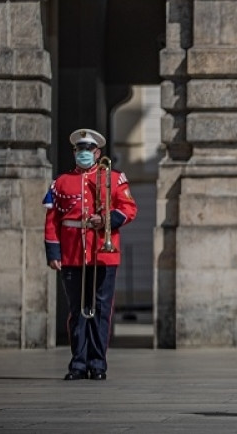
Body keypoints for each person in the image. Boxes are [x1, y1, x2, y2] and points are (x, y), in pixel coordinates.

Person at [43, 128, 138, 381]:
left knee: (100, 310)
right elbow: (52, 219)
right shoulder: (61, 182)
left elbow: (129, 209)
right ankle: (78, 363)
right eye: (79, 149)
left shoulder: (113, 178)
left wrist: (105, 219)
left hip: (103, 253)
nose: (83, 153)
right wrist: (54, 252)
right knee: (77, 311)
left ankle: (97, 363)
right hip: (73, 253)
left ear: (98, 152)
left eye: (88, 149)